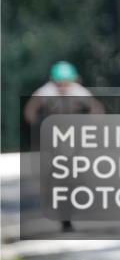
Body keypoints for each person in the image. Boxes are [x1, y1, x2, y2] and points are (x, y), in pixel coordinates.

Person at [24, 61, 105, 232]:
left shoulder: (79, 92)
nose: (63, 87)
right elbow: (30, 110)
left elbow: (96, 109)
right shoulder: (45, 92)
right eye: (60, 83)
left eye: (66, 82)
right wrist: (37, 123)